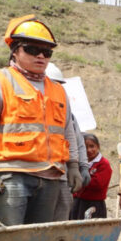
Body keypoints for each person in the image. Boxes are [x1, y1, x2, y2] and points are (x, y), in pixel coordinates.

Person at [0, 15, 81, 225]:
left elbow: (68, 132)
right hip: (10, 176)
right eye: (31, 49)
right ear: (15, 50)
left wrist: (73, 165)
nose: (41, 56)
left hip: (50, 178)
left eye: (47, 52)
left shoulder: (58, 91)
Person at [45, 62, 91, 222]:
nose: (56, 88)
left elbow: (78, 140)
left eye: (59, 84)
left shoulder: (66, 112)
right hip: (39, 175)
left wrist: (82, 166)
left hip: (62, 174)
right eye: (53, 84)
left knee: (62, 214)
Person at [70, 133, 112, 220]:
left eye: (92, 146)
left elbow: (98, 184)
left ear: (98, 146)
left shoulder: (103, 164)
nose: (89, 150)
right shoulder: (78, 163)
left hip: (94, 205)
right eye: (85, 147)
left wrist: (79, 180)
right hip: (78, 203)